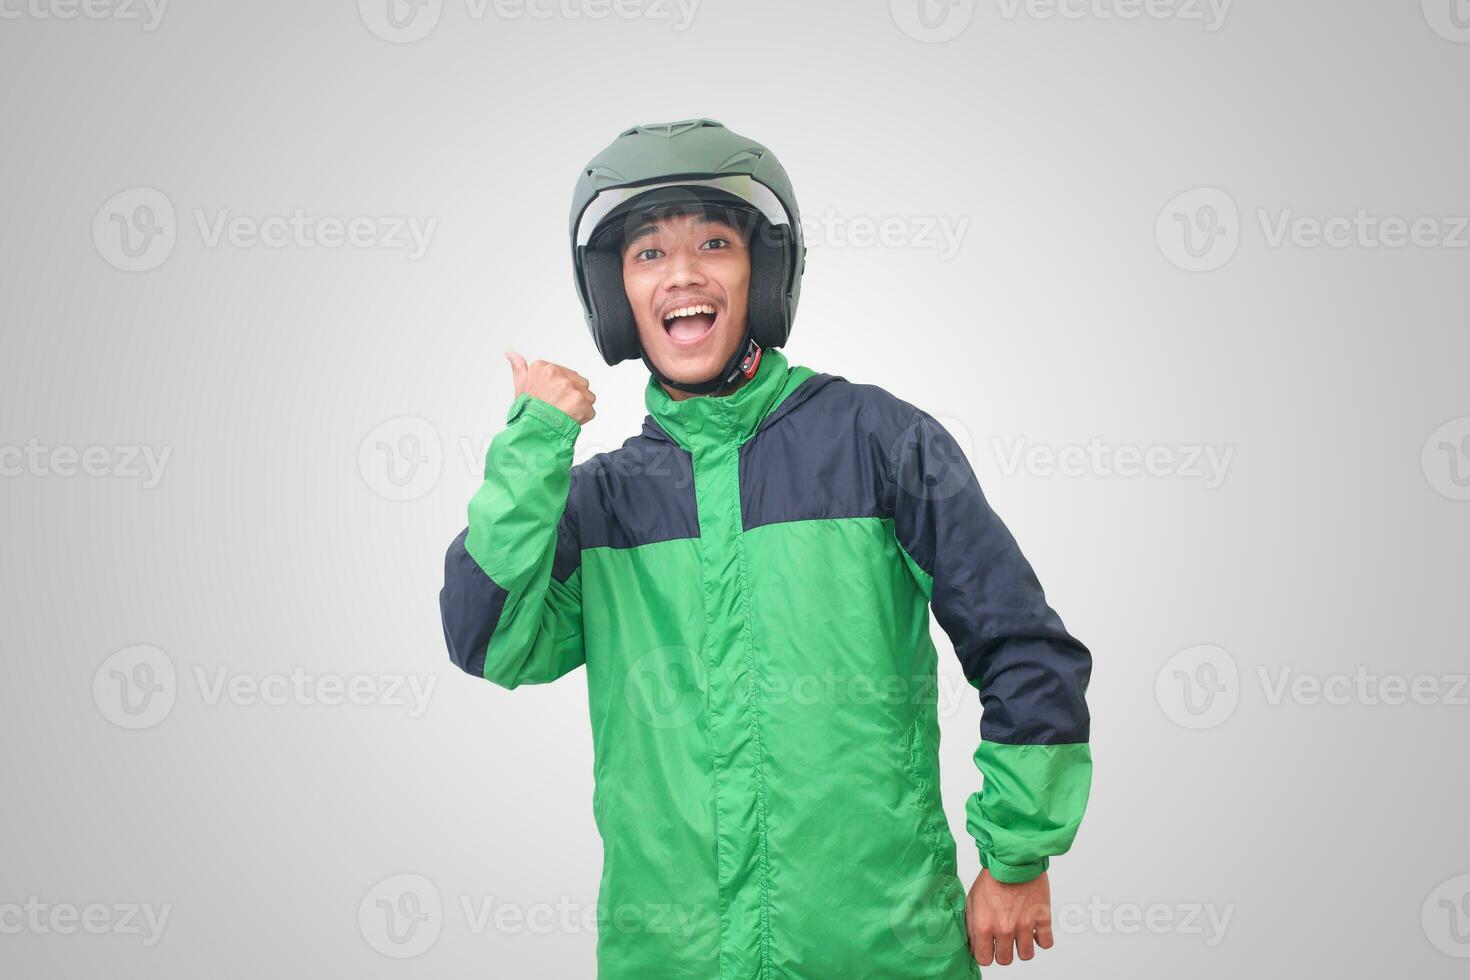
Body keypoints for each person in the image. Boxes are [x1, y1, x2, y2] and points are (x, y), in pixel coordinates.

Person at [439, 118, 1093, 979]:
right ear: (617, 295)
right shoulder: (599, 503)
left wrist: (1018, 855)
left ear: (764, 274)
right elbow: (485, 638)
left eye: (715, 242)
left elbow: (1021, 645)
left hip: (881, 953)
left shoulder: (879, 443)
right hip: (671, 959)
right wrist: (533, 445)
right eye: (647, 253)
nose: (683, 273)